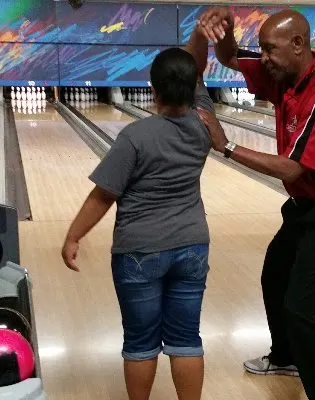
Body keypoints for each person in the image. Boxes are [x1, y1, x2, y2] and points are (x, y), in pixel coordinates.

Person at [196, 7, 315, 400]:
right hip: (304, 208)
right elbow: (227, 57)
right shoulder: (283, 73)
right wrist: (226, 30)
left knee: (301, 312)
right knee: (274, 276)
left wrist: (227, 146)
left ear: (298, 44)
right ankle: (287, 357)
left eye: (269, 49)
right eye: (262, 49)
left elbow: (293, 169)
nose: (264, 57)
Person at [61, 25, 213, 400]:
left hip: (138, 252)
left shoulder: (135, 137)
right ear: (196, 86)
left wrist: (73, 235)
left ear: (153, 89)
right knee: (186, 338)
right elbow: (199, 72)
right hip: (193, 246)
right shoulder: (205, 123)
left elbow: (103, 195)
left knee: (141, 341)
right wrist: (204, 35)